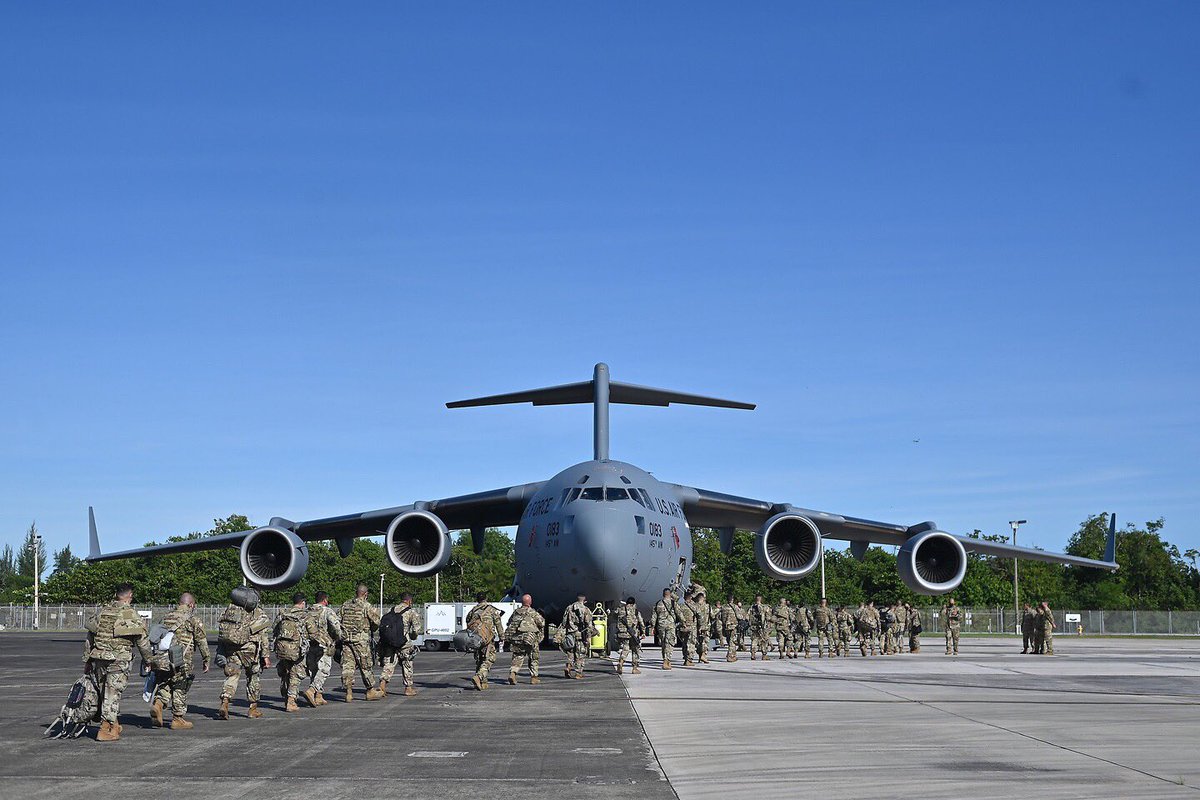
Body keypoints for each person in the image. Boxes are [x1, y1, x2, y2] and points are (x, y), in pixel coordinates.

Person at [84, 583, 152, 741]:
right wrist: (148, 660)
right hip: (118, 659)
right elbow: (142, 640)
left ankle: (114, 724)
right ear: (130, 596)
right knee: (113, 693)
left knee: (104, 692)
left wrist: (87, 660)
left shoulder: (103, 612)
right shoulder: (130, 614)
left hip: (99, 658)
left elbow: (90, 637)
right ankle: (104, 729)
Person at [150, 592, 210, 730]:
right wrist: (206, 659)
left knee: (165, 683)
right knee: (180, 686)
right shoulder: (193, 619)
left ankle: (158, 704)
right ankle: (177, 718)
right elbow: (201, 641)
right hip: (181, 659)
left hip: (163, 659)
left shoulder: (165, 617)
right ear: (191, 605)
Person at [217, 587, 271, 721]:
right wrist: (266, 656)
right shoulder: (258, 613)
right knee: (253, 677)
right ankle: (253, 709)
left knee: (233, 675)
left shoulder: (231, 610)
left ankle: (225, 701)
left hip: (232, 648)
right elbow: (263, 636)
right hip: (250, 650)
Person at [340, 584, 385, 701]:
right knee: (365, 665)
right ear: (365, 594)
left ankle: (348, 693)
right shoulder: (366, 606)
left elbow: (338, 620)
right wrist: (372, 628)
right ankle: (370, 690)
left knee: (348, 666)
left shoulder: (346, 605)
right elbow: (377, 621)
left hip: (346, 641)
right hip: (361, 641)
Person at [302, 591, 342, 707]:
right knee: (324, 670)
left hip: (310, 644)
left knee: (314, 670)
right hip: (323, 644)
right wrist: (337, 637)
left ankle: (318, 696)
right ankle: (312, 690)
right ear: (325, 600)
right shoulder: (326, 611)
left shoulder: (307, 611)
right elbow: (336, 626)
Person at [378, 592, 421, 696]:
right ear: (409, 601)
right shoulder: (411, 612)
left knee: (389, 663)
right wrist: (412, 637)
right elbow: (416, 630)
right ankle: (408, 688)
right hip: (404, 643)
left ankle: (382, 685)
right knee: (407, 663)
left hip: (390, 642)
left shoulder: (391, 610)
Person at [273, 593, 309, 712]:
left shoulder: (283, 614)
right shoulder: (304, 615)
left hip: (282, 648)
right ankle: (291, 701)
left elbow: (275, 628)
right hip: (296, 650)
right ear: (302, 603)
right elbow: (313, 632)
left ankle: (285, 694)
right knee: (296, 675)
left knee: (286, 672)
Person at [465, 592, 504, 690]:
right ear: (486, 598)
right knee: (489, 659)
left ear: (477, 599)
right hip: (488, 639)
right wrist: (502, 637)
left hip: (476, 639)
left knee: (479, 659)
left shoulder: (473, 611)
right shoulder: (492, 610)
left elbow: (467, 622)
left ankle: (483, 682)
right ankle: (479, 677)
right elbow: (498, 624)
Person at [505, 594, 545, 684]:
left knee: (517, 656)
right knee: (533, 657)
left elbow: (509, 623)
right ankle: (534, 677)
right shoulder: (533, 612)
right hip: (530, 639)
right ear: (530, 602)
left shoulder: (516, 612)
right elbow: (541, 623)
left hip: (517, 639)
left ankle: (513, 673)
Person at [561, 593, 595, 679]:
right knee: (580, 654)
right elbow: (589, 625)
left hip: (570, 634)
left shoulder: (569, 608)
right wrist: (589, 636)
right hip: (580, 635)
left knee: (571, 653)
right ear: (584, 600)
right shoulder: (586, 610)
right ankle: (578, 673)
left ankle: (568, 667)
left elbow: (564, 622)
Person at [649, 588, 679, 670]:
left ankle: (665, 659)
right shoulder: (673, 603)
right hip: (670, 625)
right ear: (670, 594)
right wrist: (683, 622)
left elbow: (654, 616)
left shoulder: (658, 603)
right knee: (669, 643)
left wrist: (652, 626)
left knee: (663, 643)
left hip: (661, 626)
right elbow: (679, 613)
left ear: (663, 594)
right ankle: (666, 660)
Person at [615, 596, 646, 674]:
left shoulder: (620, 610)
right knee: (635, 650)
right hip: (632, 633)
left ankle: (621, 663)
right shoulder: (635, 611)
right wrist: (643, 632)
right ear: (634, 604)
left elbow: (614, 617)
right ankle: (634, 668)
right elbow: (641, 623)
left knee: (625, 648)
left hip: (623, 633)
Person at [689, 586, 712, 664]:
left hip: (696, 626)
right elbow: (712, 616)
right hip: (705, 626)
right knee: (705, 641)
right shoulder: (707, 606)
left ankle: (700, 656)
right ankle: (703, 655)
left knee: (698, 642)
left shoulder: (694, 606)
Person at [677, 589, 698, 666]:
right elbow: (699, 614)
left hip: (683, 627)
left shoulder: (680, 606)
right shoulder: (693, 605)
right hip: (691, 627)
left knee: (685, 643)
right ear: (690, 597)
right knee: (691, 643)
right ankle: (689, 659)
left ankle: (685, 657)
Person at [748, 595, 773, 661]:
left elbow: (748, 616)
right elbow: (768, 617)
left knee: (754, 640)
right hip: (762, 627)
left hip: (754, 626)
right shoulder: (765, 607)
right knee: (763, 641)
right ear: (761, 599)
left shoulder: (752, 607)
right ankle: (764, 655)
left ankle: (753, 653)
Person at [720, 598, 739, 662]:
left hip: (725, 626)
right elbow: (739, 616)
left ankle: (732, 654)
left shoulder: (723, 607)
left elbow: (719, 617)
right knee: (732, 641)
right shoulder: (735, 607)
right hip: (733, 626)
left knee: (729, 641)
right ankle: (730, 656)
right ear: (732, 600)